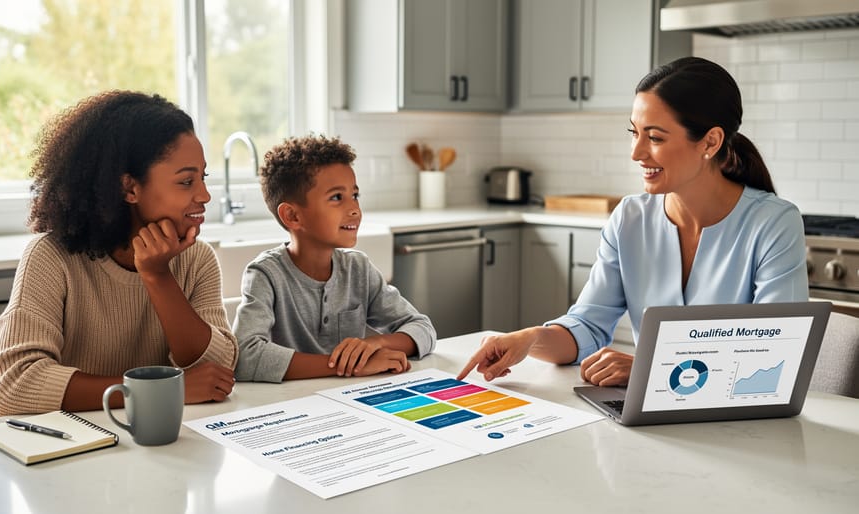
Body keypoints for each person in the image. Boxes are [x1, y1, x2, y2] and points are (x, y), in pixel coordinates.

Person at [459, 56, 808, 386]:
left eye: (654, 137)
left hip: (745, 426)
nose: (636, 152)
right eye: (634, 133)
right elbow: (587, 327)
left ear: (710, 142)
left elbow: (774, 356)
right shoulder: (629, 218)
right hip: (653, 418)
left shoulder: (774, 224)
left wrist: (649, 368)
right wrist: (530, 338)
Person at [0, 91, 237, 416]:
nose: (204, 195)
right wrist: (159, 390)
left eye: (203, 178)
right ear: (130, 188)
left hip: (154, 447)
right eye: (186, 181)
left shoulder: (196, 259)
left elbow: (217, 373)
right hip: (69, 449)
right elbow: (14, 386)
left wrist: (158, 277)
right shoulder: (51, 258)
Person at [233, 134, 435, 382]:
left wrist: (377, 344)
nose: (354, 209)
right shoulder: (265, 275)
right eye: (337, 197)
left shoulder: (358, 269)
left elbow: (423, 328)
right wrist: (348, 366)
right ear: (292, 216)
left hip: (351, 400)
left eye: (355, 195)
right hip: (291, 406)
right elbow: (245, 356)